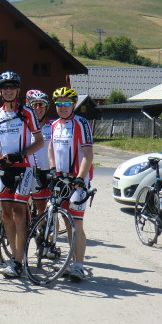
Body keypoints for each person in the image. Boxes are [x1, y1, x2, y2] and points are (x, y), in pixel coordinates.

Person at [0, 71, 43, 278]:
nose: (8, 91)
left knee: (20, 211)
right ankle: (14, 255)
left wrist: (21, 154)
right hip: (5, 168)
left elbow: (39, 141)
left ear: (17, 90)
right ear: (0, 91)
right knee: (6, 213)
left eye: (12, 87)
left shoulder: (27, 113)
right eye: (5, 87)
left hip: (25, 166)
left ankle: (19, 260)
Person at [48, 86, 94, 282]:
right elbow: (51, 147)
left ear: (74, 105)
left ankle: (79, 265)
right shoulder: (55, 124)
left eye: (66, 103)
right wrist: (52, 169)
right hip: (61, 179)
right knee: (67, 223)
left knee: (77, 223)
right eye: (59, 103)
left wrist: (79, 179)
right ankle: (71, 260)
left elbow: (88, 154)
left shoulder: (81, 123)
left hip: (77, 180)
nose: (62, 107)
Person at [26, 89, 53, 217]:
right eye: (34, 105)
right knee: (25, 205)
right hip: (30, 171)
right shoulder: (25, 126)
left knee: (43, 209)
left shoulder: (53, 126)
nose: (38, 108)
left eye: (41, 104)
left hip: (47, 171)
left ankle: (43, 233)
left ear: (47, 107)